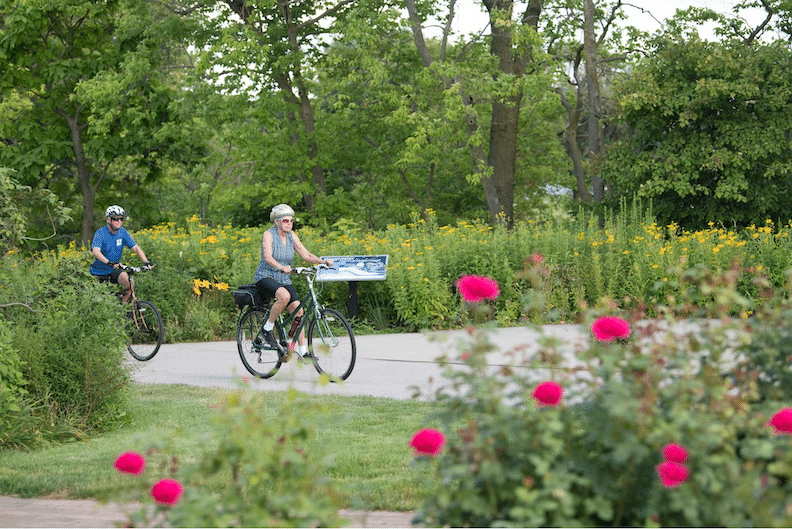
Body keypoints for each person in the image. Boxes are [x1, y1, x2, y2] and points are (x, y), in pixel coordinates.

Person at [255, 203, 332, 357]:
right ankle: (267, 329)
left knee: (299, 311)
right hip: (266, 276)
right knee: (285, 296)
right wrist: (281, 267)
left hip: (283, 279)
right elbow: (268, 257)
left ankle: (300, 350)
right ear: (276, 221)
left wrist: (322, 262)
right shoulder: (268, 235)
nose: (289, 223)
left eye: (291, 220)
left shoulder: (292, 236)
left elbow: (306, 255)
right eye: (285, 220)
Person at [90, 205, 153, 303]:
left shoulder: (122, 232)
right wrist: (108, 262)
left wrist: (146, 262)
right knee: (101, 301)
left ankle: (123, 312)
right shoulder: (100, 233)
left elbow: (136, 248)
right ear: (108, 219)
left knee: (129, 282)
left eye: (121, 219)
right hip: (98, 271)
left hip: (113, 269)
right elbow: (96, 251)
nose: (119, 221)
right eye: (115, 219)